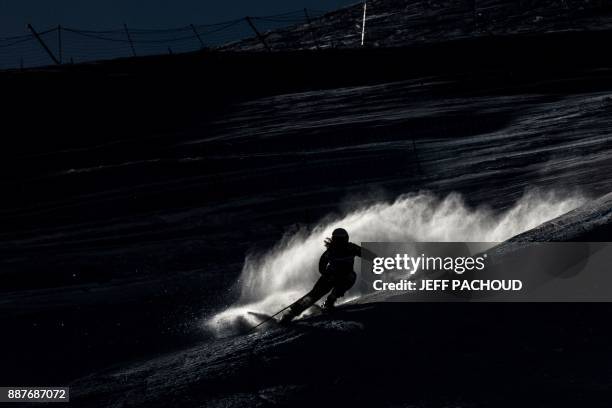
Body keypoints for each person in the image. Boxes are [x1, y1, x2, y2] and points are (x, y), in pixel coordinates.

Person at [279, 228, 373, 324]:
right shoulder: (331, 251)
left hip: (344, 276)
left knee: (350, 277)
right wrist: (327, 275)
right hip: (330, 277)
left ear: (346, 239)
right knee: (314, 294)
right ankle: (291, 313)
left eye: (342, 240)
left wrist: (375, 258)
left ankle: (330, 300)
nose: (340, 243)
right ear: (334, 240)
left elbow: (366, 253)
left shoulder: (351, 248)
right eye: (337, 240)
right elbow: (321, 266)